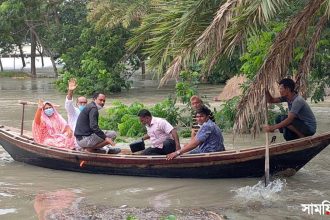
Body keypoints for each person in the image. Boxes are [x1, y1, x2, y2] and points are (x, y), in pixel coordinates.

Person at [65, 79, 117, 152]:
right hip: (79, 139)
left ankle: (96, 149)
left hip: (86, 136)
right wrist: (70, 91)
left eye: (84, 102)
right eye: (81, 103)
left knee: (108, 134)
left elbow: (93, 127)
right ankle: (92, 149)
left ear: (87, 103)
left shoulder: (89, 108)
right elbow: (68, 103)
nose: (83, 104)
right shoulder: (74, 111)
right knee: (111, 135)